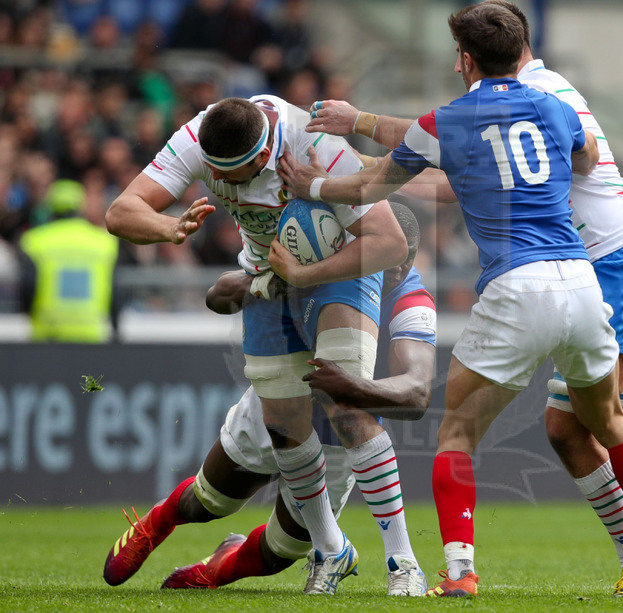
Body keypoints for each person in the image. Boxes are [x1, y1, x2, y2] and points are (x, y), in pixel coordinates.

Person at [301, 0, 623, 596]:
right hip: (582, 278)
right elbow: (586, 158)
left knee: (461, 434)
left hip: (587, 265)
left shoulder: (460, 113)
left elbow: (388, 173)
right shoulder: (550, 100)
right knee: (599, 423)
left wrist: (318, 177)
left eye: (456, 57)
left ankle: (462, 575)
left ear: (468, 59)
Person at [103, 93, 417, 596]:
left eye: (236, 173)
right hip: (270, 278)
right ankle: (161, 522)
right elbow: (121, 212)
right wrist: (169, 227)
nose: (222, 183)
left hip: (340, 271)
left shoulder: (318, 146)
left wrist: (305, 272)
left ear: (267, 150)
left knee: (340, 416)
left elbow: (389, 243)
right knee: (214, 496)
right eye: (215, 173)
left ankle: (396, 563)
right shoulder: (200, 137)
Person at [18, 179, 120, 343]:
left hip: (47, 334)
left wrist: (29, 315)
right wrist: (116, 328)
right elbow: (115, 290)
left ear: (50, 206)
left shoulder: (34, 241)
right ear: (81, 206)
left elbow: (28, 285)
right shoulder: (104, 243)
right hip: (91, 333)